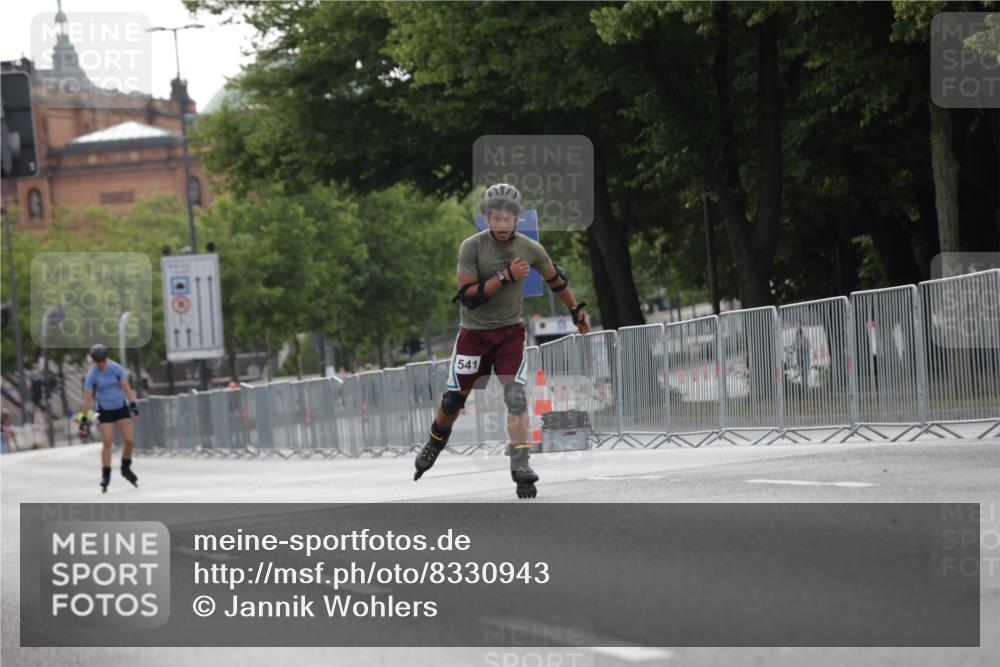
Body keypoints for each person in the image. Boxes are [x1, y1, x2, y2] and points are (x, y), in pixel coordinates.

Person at [413, 183, 589, 498]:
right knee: (454, 399)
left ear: (517, 219)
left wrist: (576, 311)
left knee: (516, 397)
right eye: (495, 218)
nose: (502, 225)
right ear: (487, 218)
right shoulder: (472, 247)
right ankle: (434, 442)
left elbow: (556, 279)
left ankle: (521, 463)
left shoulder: (531, 248)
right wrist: (505, 276)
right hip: (474, 335)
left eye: (508, 218)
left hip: (509, 333)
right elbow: (468, 297)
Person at [80, 344, 140, 492]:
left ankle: (125, 467)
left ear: (106, 358)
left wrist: (133, 406)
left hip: (120, 407)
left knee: (129, 440)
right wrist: (83, 419)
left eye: (102, 360)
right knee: (107, 442)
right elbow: (87, 399)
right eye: (97, 361)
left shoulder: (116, 368)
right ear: (94, 361)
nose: (100, 363)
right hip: (104, 410)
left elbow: (127, 388)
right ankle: (106, 475)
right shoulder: (92, 375)